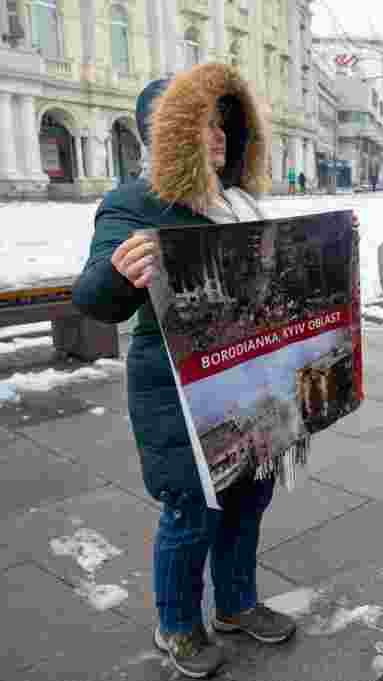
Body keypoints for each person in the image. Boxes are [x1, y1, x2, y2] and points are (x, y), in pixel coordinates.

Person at [71, 65, 297, 679]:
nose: (217, 135)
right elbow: (93, 299)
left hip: (249, 375)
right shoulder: (134, 203)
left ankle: (236, 604)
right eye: (200, 124)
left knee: (250, 492)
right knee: (193, 507)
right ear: (163, 133)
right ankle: (176, 623)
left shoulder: (242, 203)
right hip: (173, 380)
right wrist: (119, 270)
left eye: (223, 124)